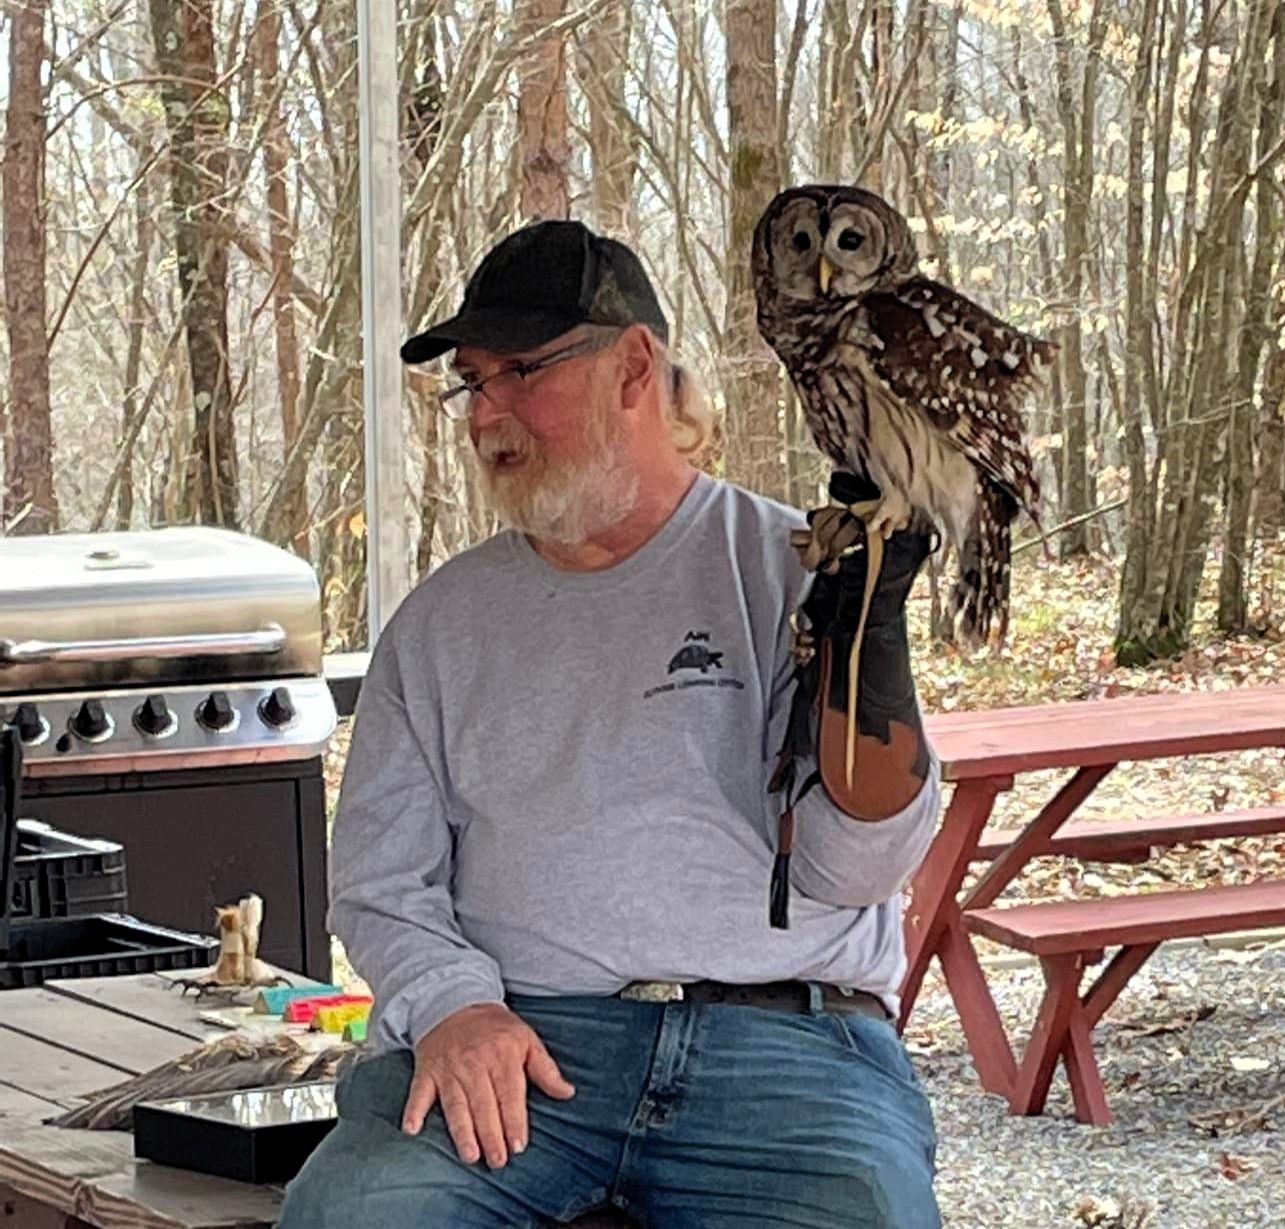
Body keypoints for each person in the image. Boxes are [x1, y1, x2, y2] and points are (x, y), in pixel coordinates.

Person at [277, 219, 944, 1229]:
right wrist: (453, 1004)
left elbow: (856, 873)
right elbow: (380, 881)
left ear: (635, 366)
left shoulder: (793, 567)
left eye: (520, 371)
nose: (485, 412)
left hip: (786, 1047)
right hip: (527, 1043)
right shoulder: (442, 622)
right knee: (358, 1214)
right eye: (471, 380)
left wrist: (871, 639)